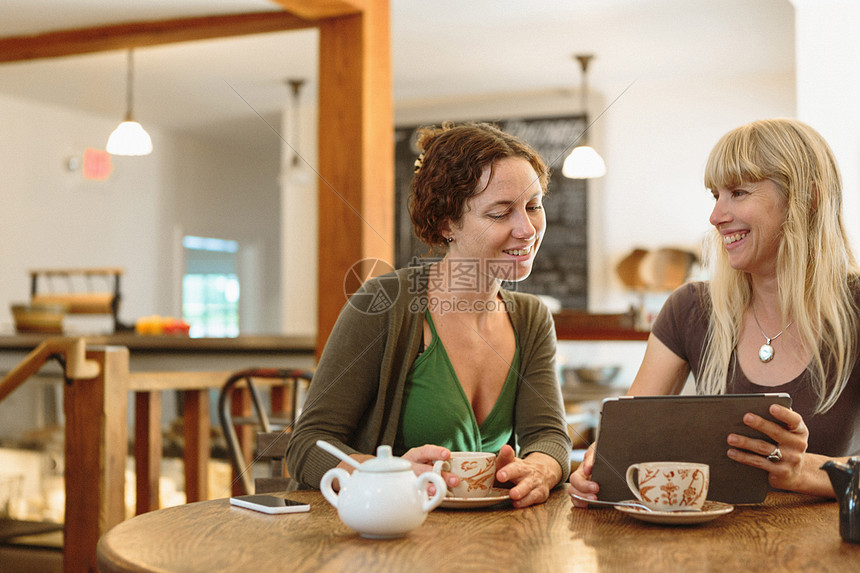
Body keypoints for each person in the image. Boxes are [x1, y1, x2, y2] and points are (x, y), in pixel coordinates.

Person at [570, 118, 860, 505]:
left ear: (808, 199)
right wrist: (599, 468)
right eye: (715, 195)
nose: (716, 216)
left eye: (738, 193)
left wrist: (804, 470)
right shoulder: (690, 308)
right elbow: (626, 442)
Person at [286, 122, 571, 508]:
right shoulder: (385, 303)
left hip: (496, 543)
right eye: (501, 213)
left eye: (534, 206)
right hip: (387, 537)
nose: (528, 229)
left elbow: (549, 435)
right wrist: (385, 473)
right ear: (446, 223)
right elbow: (307, 445)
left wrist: (541, 470)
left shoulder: (531, 318)